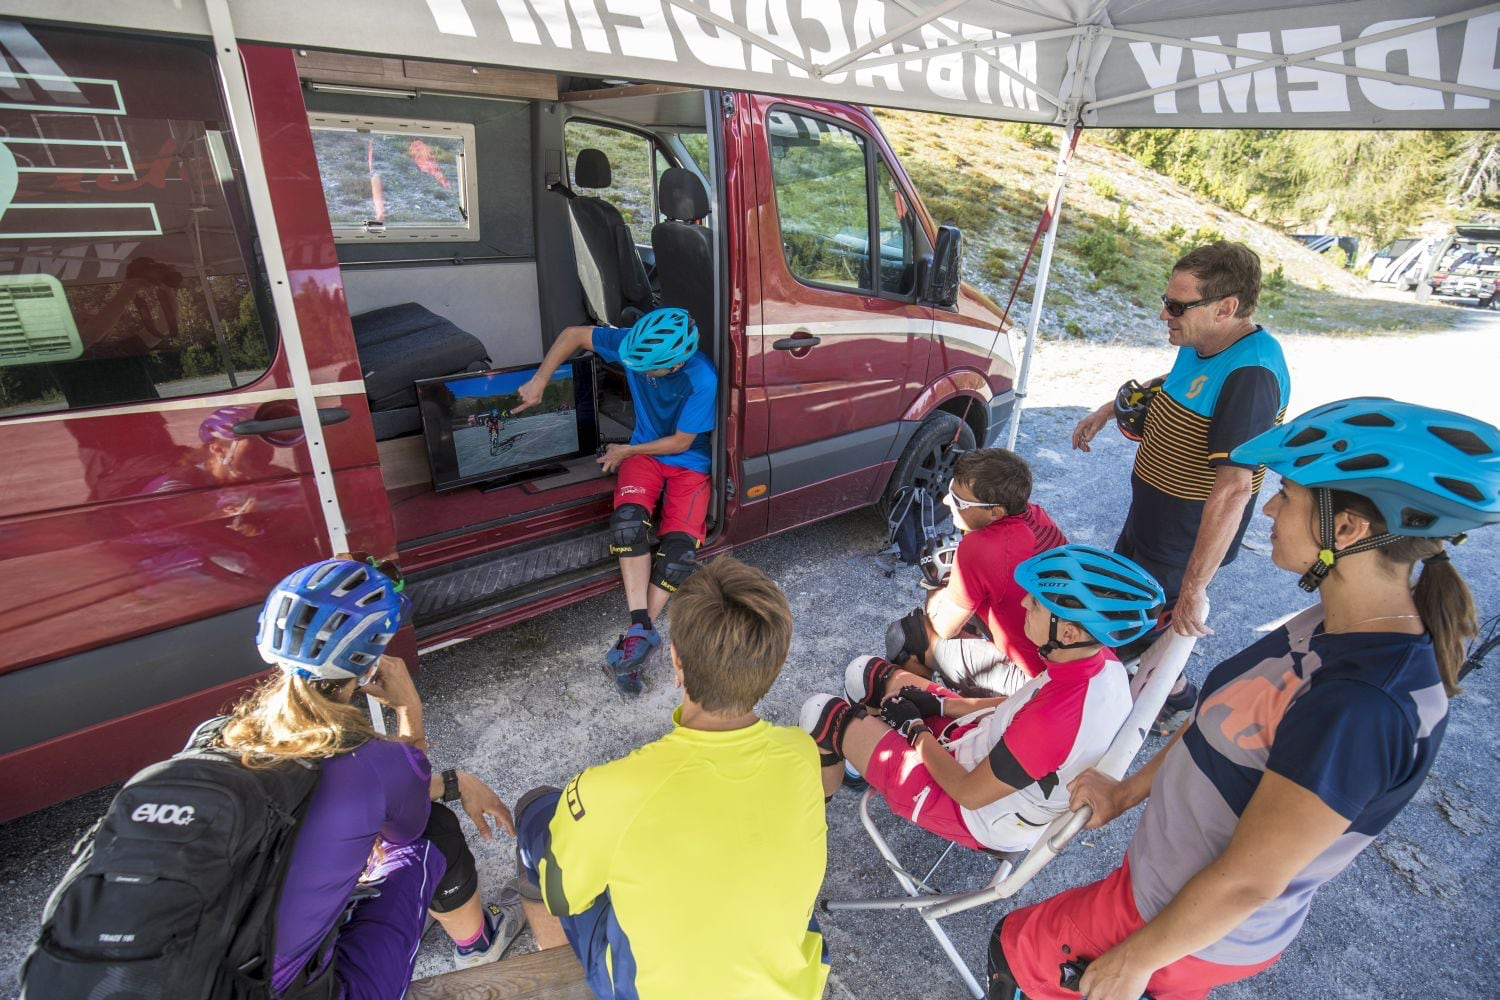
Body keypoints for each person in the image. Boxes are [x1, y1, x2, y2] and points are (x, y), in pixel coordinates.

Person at [988, 398, 1499, 1000]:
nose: (1271, 508)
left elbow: (1252, 880)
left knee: (1012, 949)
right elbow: (1222, 718)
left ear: (1347, 530)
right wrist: (1126, 792)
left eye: (1287, 494)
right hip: (1169, 895)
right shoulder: (1335, 623)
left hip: (1179, 922)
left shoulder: (1362, 705)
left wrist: (1135, 961)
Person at [513, 555, 829, 999]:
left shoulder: (609, 791)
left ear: (676, 662)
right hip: (789, 988)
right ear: (773, 668)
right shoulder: (800, 752)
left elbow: (564, 897)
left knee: (535, 810)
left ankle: (558, 973)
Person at [229, 557, 523, 997]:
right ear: (369, 668)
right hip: (315, 989)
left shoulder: (226, 736)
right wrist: (409, 711)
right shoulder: (372, 763)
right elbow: (408, 820)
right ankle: (479, 944)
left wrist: (454, 781)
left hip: (219, 965)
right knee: (433, 833)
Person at [801, 545, 1161, 855]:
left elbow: (967, 793)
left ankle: (806, 829)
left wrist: (915, 731)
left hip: (971, 810)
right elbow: (1020, 705)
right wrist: (945, 706)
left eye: (1037, 604)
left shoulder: (1054, 720)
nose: (1024, 602)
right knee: (865, 673)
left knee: (822, 714)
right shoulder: (1100, 663)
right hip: (979, 747)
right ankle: (857, 766)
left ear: (1067, 633)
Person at [1071, 241, 1290, 734]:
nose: (1163, 313)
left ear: (1225, 307)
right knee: (1128, 613)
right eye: (1165, 300)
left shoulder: (1251, 375)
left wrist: (1193, 587)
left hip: (1181, 541)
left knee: (1120, 628)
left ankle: (1117, 715)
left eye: (1176, 305)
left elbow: (1233, 490)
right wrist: (1106, 410)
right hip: (1151, 520)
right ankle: (1165, 695)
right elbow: (1177, 382)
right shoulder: (1203, 343)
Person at [515, 306, 716, 694]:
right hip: (644, 454)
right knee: (627, 525)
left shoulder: (701, 378)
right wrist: (540, 380)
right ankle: (641, 628)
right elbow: (573, 333)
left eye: (649, 369)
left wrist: (625, 451)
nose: (638, 371)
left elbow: (681, 443)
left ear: (677, 363)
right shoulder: (633, 345)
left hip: (687, 461)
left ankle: (635, 638)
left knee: (678, 557)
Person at [885, 448, 1067, 697]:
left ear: (996, 512)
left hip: (1038, 682)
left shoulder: (981, 549)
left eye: (959, 501)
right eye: (950, 489)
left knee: (905, 637)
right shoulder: (1036, 514)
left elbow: (944, 627)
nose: (946, 501)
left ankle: (941, 709)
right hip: (1064, 660)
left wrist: (936, 584)